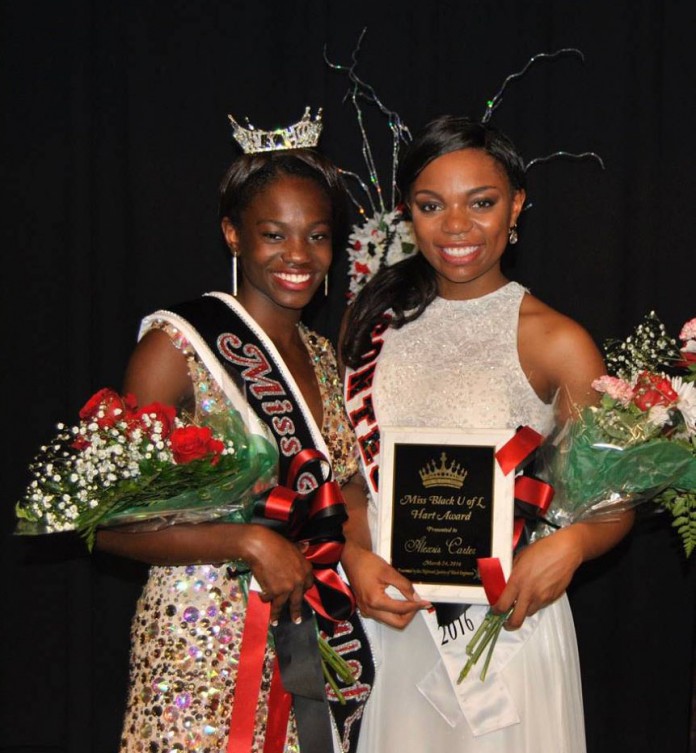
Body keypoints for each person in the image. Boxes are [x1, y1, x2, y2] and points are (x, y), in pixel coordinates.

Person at [339, 114, 633, 752]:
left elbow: (612, 501)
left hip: (508, 627)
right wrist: (352, 553)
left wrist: (573, 546)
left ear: (516, 204)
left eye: (481, 203)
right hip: (398, 618)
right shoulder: (374, 328)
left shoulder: (558, 339)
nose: (455, 227)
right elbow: (352, 482)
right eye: (430, 205)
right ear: (405, 214)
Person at [96, 133, 374, 753]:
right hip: (193, 645)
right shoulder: (177, 346)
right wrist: (245, 540)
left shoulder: (327, 359)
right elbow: (108, 525)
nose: (298, 254)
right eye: (274, 234)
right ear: (233, 234)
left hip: (307, 631)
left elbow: (343, 495)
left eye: (318, 235)